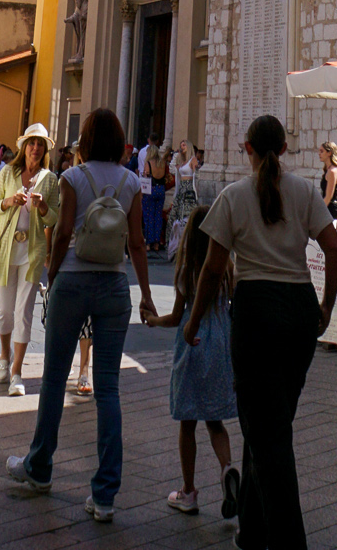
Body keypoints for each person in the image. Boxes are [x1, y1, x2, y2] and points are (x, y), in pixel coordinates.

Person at [189, 113, 337, 550]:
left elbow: (212, 269)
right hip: (299, 308)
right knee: (271, 423)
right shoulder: (304, 191)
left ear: (248, 149)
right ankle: (253, 528)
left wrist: (194, 320)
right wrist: (326, 304)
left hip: (256, 310)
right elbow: (334, 248)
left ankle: (288, 541)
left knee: (267, 432)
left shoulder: (234, 196)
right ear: (285, 150)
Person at [6, 106, 157, 515]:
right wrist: (145, 293)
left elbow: (63, 233)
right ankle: (105, 494)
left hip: (73, 278)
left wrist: (53, 275)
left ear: (86, 140)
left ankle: (39, 467)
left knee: (54, 378)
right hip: (113, 284)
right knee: (108, 388)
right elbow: (137, 243)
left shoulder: (72, 177)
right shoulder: (131, 181)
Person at [149, 204, 241, 518]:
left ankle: (188, 492)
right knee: (215, 421)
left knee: (187, 423)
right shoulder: (227, 267)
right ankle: (227, 468)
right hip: (220, 345)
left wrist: (153, 320)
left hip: (193, 342)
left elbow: (178, 317)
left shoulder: (188, 269)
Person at [0, 123, 60, 396]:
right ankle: (4, 358)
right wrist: (8, 201)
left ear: (45, 150)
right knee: (4, 311)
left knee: (24, 312)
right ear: (24, 147)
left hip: (32, 252)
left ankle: (17, 372)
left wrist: (42, 206)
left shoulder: (50, 179)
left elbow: (54, 217)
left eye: (40, 144)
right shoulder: (8, 172)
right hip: (6, 250)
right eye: (32, 143)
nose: (35, 148)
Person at [145, 140, 171, 251]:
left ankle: (149, 242)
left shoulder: (148, 163)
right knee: (158, 216)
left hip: (151, 189)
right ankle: (157, 242)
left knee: (150, 216)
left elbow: (146, 176)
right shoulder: (162, 163)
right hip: (161, 189)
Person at [319, 141, 337, 220]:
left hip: (331, 211)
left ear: (329, 153)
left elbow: (329, 197)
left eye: (322, 151)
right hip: (328, 209)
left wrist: (318, 212)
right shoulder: (328, 170)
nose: (319, 154)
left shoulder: (332, 171)